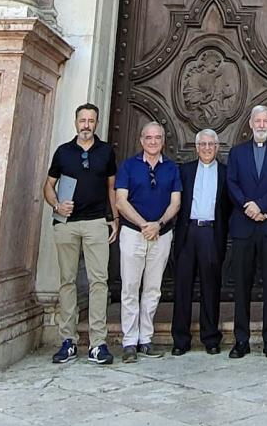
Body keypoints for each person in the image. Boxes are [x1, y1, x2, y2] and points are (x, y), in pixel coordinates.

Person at [43, 102, 118, 364]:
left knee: (99, 281)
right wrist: (57, 205)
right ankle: (68, 341)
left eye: (91, 121)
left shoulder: (106, 151)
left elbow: (111, 188)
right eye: (82, 120)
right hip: (66, 224)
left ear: (96, 123)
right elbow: (49, 186)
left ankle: (98, 343)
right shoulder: (63, 152)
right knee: (67, 281)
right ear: (76, 123)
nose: (86, 125)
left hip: (96, 222)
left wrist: (114, 218)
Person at [226, 105, 267, 358]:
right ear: (250, 124)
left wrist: (261, 206)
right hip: (244, 227)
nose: (262, 125)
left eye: (266, 121)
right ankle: (241, 340)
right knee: (242, 286)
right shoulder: (237, 153)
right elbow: (231, 182)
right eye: (258, 121)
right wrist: (248, 207)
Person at [115, 122, 181, 363]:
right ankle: (129, 341)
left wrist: (159, 225)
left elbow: (175, 202)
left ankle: (146, 339)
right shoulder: (129, 166)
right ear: (141, 140)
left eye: (157, 138)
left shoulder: (171, 168)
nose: (153, 142)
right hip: (134, 233)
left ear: (163, 141)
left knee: (153, 289)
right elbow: (121, 201)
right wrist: (144, 224)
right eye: (149, 138)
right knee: (130, 288)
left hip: (161, 235)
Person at [171, 128, 230, 356]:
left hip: (211, 233)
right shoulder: (184, 171)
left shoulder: (225, 172)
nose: (207, 148)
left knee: (210, 287)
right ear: (196, 148)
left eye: (211, 145)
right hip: (188, 232)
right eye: (203, 144)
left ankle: (210, 338)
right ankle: (180, 340)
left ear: (217, 147)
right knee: (183, 287)